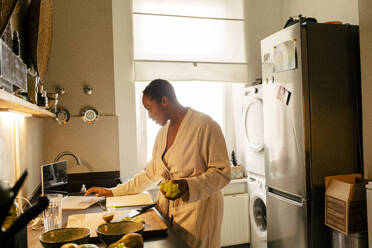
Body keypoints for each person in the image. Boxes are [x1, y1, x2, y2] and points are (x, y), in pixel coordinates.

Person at [85, 79, 231, 247]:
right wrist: (112, 192)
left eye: (149, 108)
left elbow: (222, 172)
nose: (149, 115)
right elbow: (150, 174)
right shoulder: (162, 133)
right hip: (169, 213)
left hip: (198, 215)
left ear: (164, 100)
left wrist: (187, 185)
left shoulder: (205, 126)